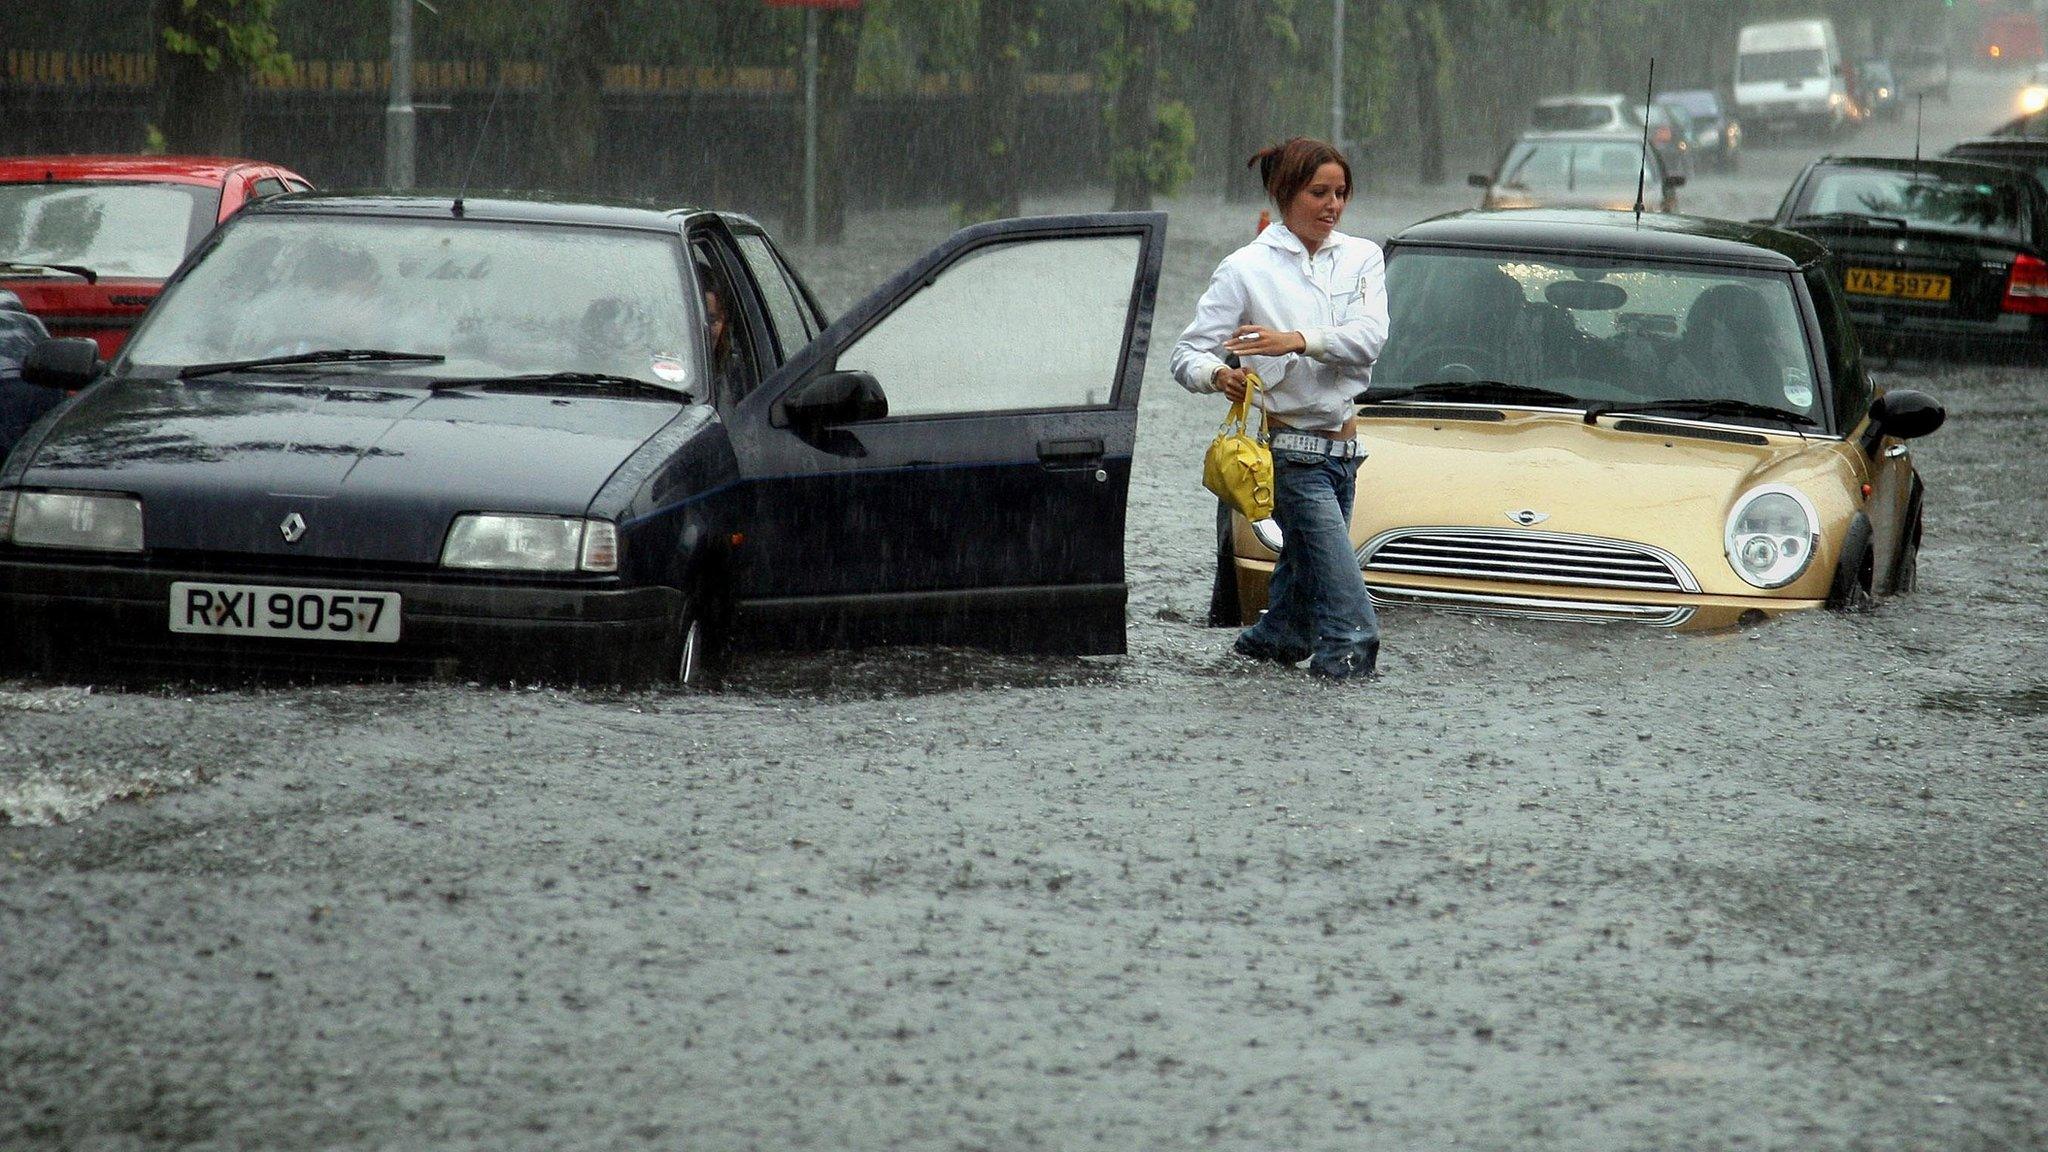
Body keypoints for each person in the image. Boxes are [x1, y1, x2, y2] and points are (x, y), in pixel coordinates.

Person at [1172, 137, 1389, 681]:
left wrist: (1295, 339)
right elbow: (1185, 353)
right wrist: (1218, 373)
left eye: (1341, 193)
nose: (1332, 205)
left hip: (1346, 455)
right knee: (1350, 626)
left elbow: (1370, 339)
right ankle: (1346, 738)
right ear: (1285, 192)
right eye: (1319, 193)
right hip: (1290, 458)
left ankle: (1257, 656)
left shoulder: (1363, 257)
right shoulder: (1245, 268)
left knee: (1293, 620)